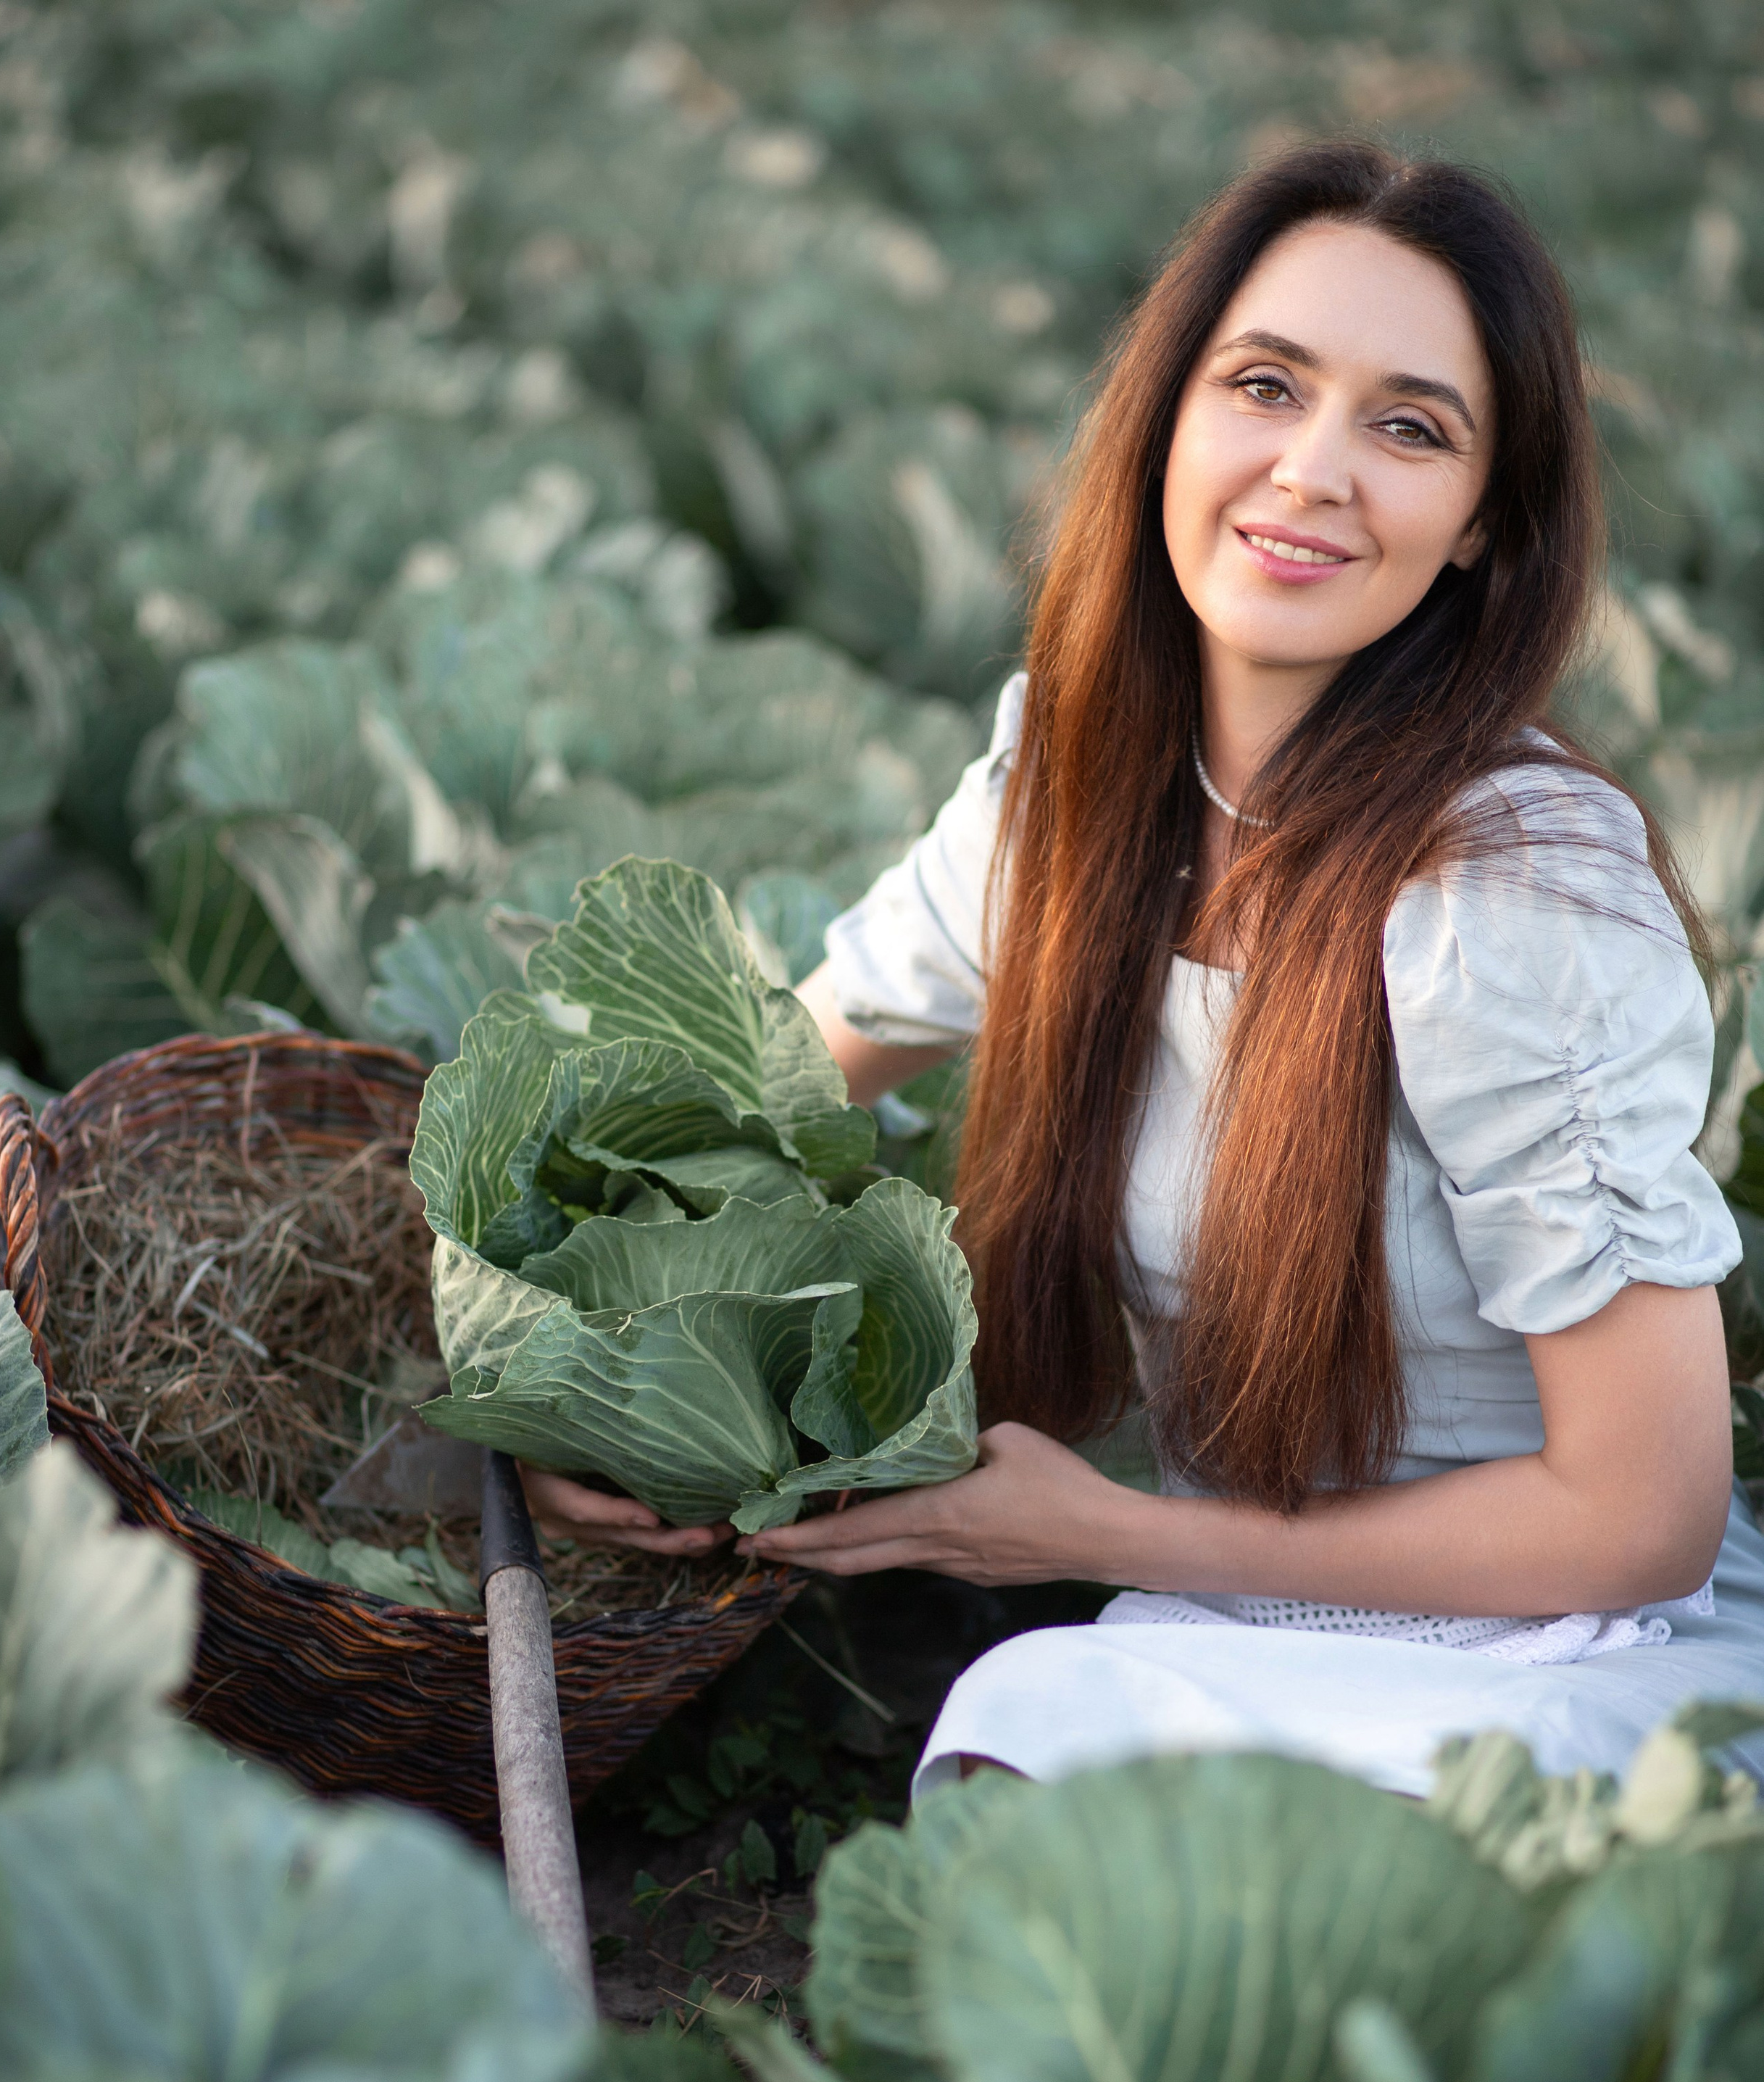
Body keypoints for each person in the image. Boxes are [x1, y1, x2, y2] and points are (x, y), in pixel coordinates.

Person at [518, 139, 1764, 1799]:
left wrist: (1099, 1531)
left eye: (1407, 428)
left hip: (1568, 1649)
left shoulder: (1505, 901)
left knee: (1048, 1727)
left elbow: (1639, 1519)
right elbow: (748, 1104)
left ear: (1480, 525)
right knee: (1042, 1741)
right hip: (1237, 1618)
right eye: (1264, 385)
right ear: (1167, 414)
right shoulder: (1070, 794)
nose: (1310, 471)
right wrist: (572, 1383)